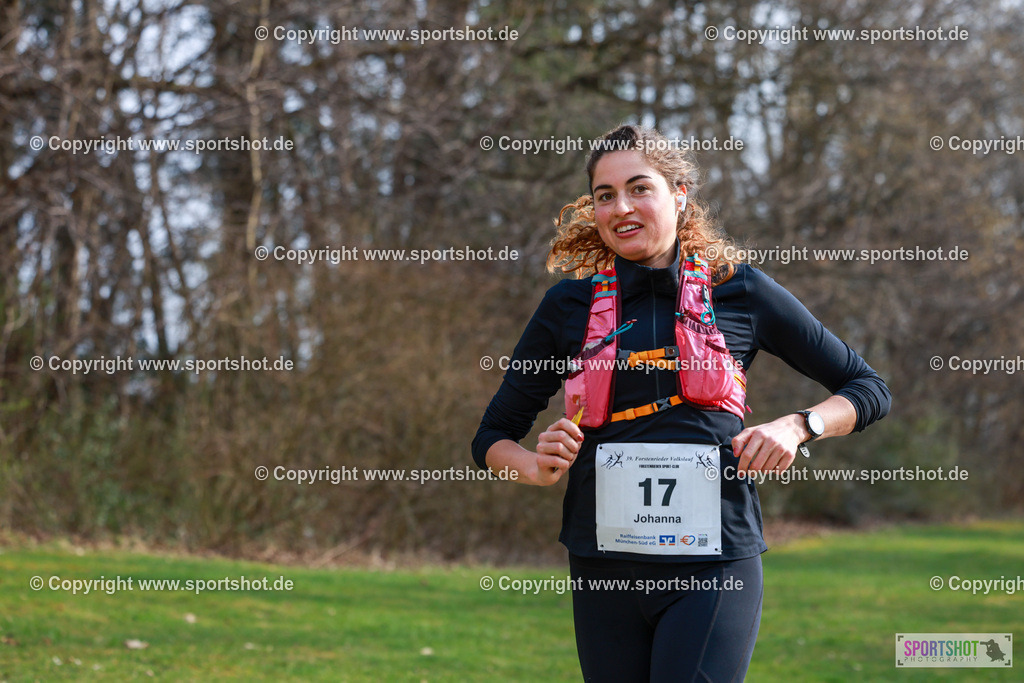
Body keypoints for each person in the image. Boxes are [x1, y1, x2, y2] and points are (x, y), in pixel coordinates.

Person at [471, 124, 891, 682]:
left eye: (639, 188)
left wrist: (799, 425)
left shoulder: (740, 291)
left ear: (679, 194)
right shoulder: (567, 305)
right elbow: (492, 437)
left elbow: (868, 389)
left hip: (713, 566)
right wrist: (534, 466)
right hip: (604, 568)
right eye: (605, 195)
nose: (621, 206)